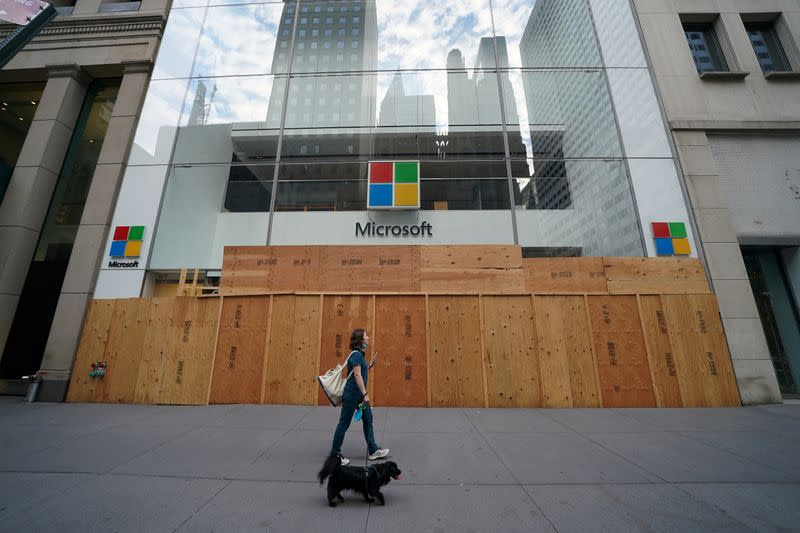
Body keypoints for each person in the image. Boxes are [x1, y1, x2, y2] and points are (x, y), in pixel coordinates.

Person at [329, 328, 389, 465]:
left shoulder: (360, 355)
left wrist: (369, 366)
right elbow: (357, 375)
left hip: (358, 395)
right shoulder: (356, 355)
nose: (368, 338)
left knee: (368, 418)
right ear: (360, 340)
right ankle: (334, 454)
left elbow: (360, 371)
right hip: (352, 395)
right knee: (344, 423)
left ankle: (373, 450)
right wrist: (365, 394)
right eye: (366, 336)